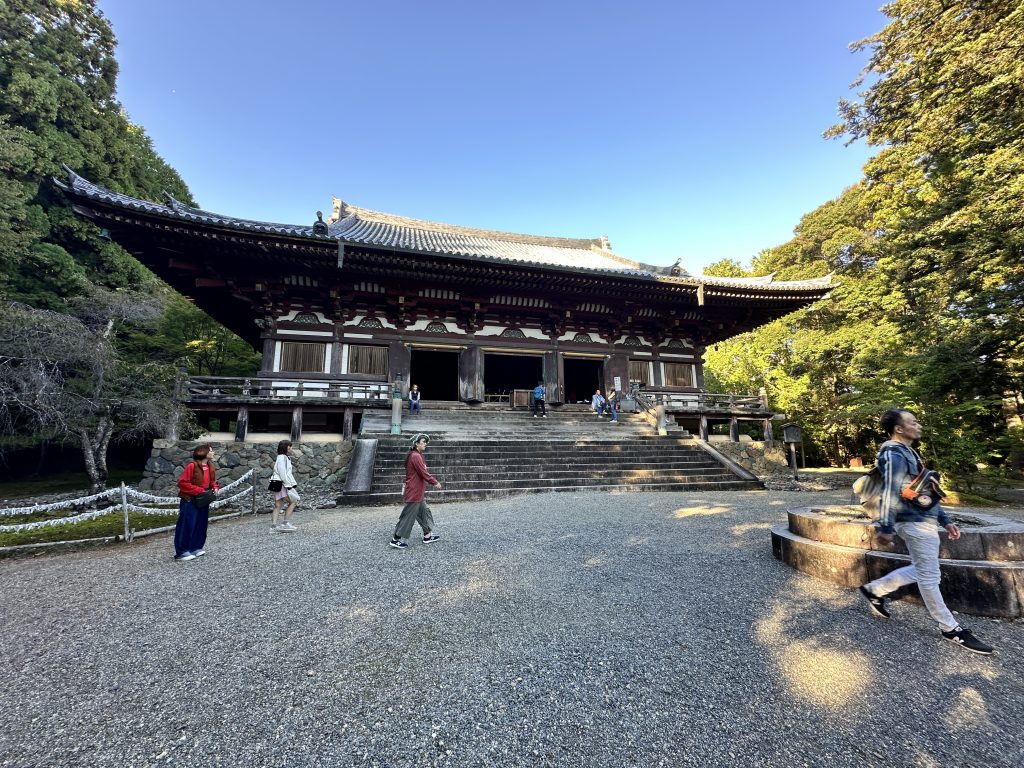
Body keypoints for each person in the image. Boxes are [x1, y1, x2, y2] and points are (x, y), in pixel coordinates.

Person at [858, 408, 994, 655]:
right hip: (912, 522)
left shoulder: (909, 452)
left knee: (924, 569)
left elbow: (926, 492)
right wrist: (885, 526)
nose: (918, 425)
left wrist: (945, 520)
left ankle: (874, 590)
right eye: (913, 421)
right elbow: (890, 490)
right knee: (930, 576)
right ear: (899, 428)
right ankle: (950, 627)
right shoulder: (892, 452)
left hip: (924, 519)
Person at [389, 433, 442, 549]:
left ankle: (427, 535)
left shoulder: (415, 455)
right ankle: (396, 539)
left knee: (424, 512)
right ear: (416, 443)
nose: (425, 444)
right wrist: (434, 482)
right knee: (408, 516)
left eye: (425, 442)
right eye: (423, 442)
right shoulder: (415, 456)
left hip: (417, 491)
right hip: (414, 491)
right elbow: (423, 473)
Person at [174, 444, 219, 561]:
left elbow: (213, 482)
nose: (213, 453)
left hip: (204, 499)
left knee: (201, 524)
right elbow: (182, 483)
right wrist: (199, 490)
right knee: (187, 524)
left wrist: (215, 487)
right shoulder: (192, 466)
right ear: (204, 453)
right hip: (190, 499)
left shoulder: (210, 466)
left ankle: (196, 547)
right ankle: (182, 551)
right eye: (211, 451)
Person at [270, 439, 299, 532]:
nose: (291, 449)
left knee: (278, 505)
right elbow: (283, 473)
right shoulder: (283, 458)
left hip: (277, 483)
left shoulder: (280, 457)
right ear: (287, 448)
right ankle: (285, 523)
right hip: (283, 484)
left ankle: (273, 527)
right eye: (290, 447)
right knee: (293, 501)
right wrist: (288, 484)